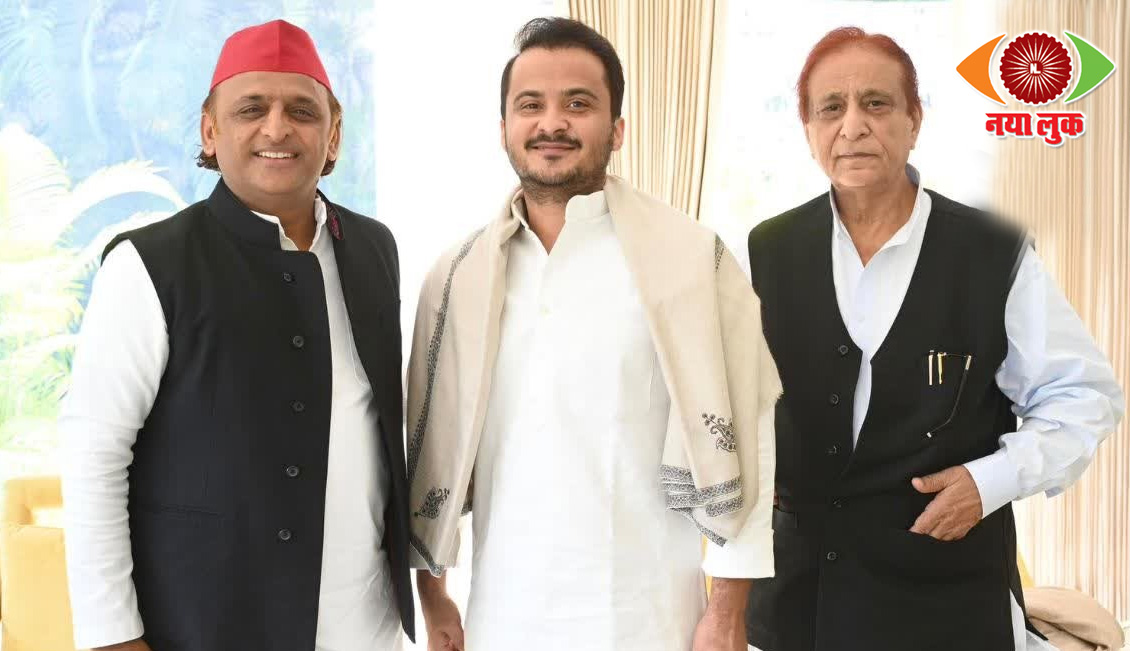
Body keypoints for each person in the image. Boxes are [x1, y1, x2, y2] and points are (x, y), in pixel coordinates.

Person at [405, 17, 780, 651]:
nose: (552, 123)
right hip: (504, 616)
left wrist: (726, 612)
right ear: (504, 128)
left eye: (578, 104)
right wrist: (433, 596)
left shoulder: (691, 259)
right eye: (531, 105)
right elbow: (427, 444)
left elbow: (749, 434)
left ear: (617, 129)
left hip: (648, 617)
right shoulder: (456, 277)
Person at [744, 26, 1125, 651]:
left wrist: (992, 480)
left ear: (914, 120)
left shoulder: (991, 252)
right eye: (831, 108)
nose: (853, 126)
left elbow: (1084, 396)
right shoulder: (763, 250)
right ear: (808, 129)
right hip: (798, 603)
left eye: (876, 103)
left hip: (946, 600)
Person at [60, 19, 413, 651]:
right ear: (210, 131)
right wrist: (113, 636)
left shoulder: (373, 248)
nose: (277, 129)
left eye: (301, 111)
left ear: (333, 134)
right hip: (208, 624)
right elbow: (95, 455)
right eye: (251, 109)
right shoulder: (148, 264)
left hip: (366, 627)